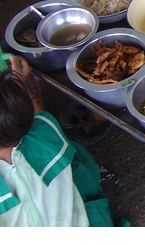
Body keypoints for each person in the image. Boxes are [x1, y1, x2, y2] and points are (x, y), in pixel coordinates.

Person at [0, 54, 126, 226]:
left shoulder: (42, 132)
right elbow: (39, 115)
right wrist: (22, 79)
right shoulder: (44, 133)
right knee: (77, 159)